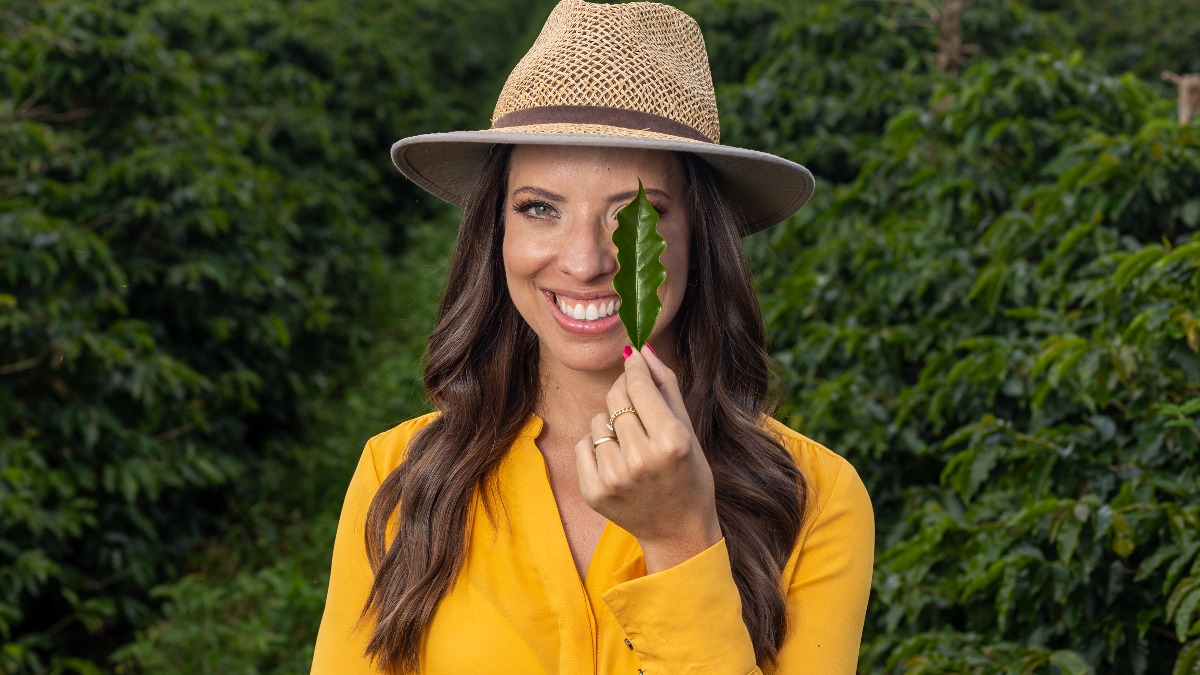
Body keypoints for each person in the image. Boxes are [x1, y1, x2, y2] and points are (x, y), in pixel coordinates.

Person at [311, 1, 874, 673]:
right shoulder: (399, 475)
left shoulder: (817, 496)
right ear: (498, 233)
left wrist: (678, 538)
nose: (584, 262)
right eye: (540, 208)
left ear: (698, 236)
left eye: (634, 215)